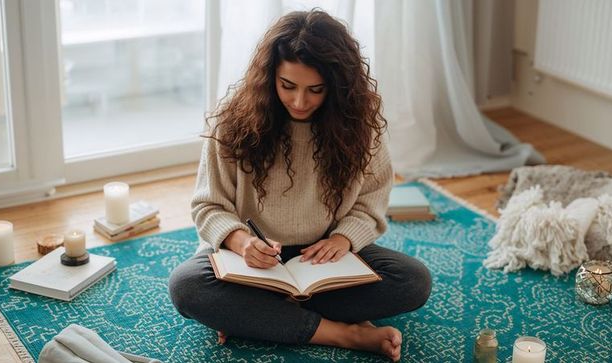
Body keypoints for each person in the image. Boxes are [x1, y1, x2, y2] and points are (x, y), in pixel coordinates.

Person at [168, 9, 431, 361]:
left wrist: (343, 239)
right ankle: (343, 333)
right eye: (287, 86)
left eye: (315, 90)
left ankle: (257, 315)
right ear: (269, 77)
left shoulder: (361, 126)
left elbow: (371, 201)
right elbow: (208, 206)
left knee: (413, 280)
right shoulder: (232, 121)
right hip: (249, 260)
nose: (299, 101)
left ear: (337, 86)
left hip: (323, 261)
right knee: (187, 287)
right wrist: (242, 242)